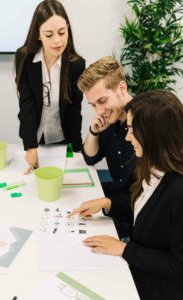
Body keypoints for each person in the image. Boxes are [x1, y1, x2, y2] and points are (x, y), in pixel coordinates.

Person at [69, 90, 183, 299]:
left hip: (155, 287)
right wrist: (109, 204)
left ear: (154, 133)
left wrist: (124, 249)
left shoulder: (178, 189)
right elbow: (146, 219)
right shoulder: (150, 165)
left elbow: (178, 265)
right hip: (137, 267)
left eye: (132, 130)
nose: (128, 137)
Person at [15, 0, 85, 174]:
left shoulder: (76, 64)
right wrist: (30, 147)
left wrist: (77, 150)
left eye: (62, 32)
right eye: (48, 34)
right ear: (38, 34)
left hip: (63, 140)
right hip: (34, 138)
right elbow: (26, 105)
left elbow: (75, 111)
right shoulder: (25, 58)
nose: (57, 41)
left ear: (68, 28)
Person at [77, 56, 136, 238]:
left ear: (121, 88)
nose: (99, 111)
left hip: (134, 213)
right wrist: (94, 132)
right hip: (115, 195)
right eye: (93, 105)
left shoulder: (146, 123)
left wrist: (107, 204)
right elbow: (90, 157)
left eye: (102, 101)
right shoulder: (109, 120)